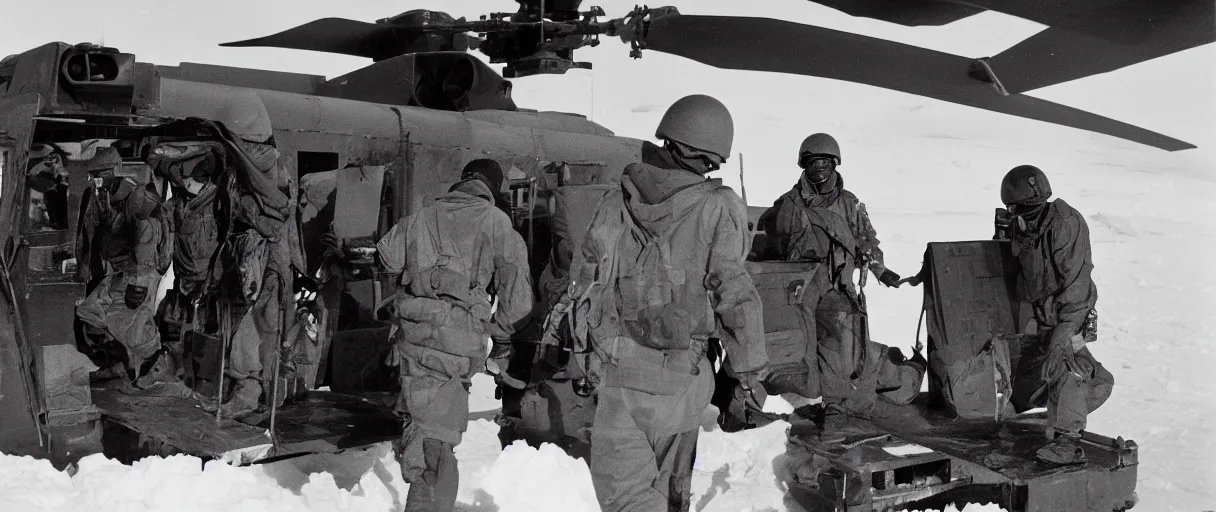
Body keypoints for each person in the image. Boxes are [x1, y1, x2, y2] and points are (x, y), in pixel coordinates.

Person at [567, 94, 769, 511]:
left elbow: (586, 281)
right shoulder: (719, 206)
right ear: (713, 154)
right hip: (682, 378)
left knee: (625, 498)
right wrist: (751, 374)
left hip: (620, 374)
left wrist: (586, 355)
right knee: (668, 497)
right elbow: (734, 292)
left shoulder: (617, 199)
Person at [329, 158, 534, 512]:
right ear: (491, 189)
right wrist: (499, 336)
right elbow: (518, 301)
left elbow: (386, 261)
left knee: (421, 438)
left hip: (413, 341)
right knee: (435, 447)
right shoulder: (496, 223)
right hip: (456, 348)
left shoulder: (422, 216)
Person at [753, 133, 905, 442]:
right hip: (800, 285)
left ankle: (838, 409)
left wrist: (880, 269)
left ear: (834, 164)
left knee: (841, 342)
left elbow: (867, 241)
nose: (818, 169)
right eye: (812, 163)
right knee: (790, 345)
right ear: (804, 166)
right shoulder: (789, 204)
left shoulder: (850, 205)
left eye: (824, 162)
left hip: (836, 288)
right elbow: (773, 244)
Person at [994, 164, 1113, 466]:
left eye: (1025, 210)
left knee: (1067, 366)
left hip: (1069, 317)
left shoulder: (1065, 223)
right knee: (1064, 376)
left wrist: (1061, 338)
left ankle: (1067, 443)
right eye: (1016, 210)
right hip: (1041, 319)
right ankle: (1061, 412)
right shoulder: (1023, 227)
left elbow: (1076, 289)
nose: (1020, 216)